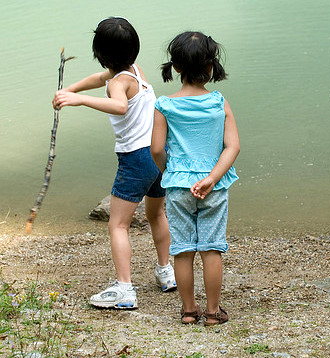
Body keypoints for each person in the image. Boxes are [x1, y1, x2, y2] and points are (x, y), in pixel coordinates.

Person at [52, 17, 176, 309]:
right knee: (157, 215)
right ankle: (165, 271)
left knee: (117, 225)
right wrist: (71, 90)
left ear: (100, 52)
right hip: (159, 155)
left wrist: (80, 101)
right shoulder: (135, 71)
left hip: (135, 159)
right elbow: (101, 78)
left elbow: (119, 105)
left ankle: (124, 289)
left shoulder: (118, 85)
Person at [151, 31, 240, 325]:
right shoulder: (218, 102)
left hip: (178, 185)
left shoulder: (164, 105)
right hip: (213, 186)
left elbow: (156, 150)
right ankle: (213, 313)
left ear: (175, 67)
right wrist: (213, 178)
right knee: (212, 247)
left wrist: (170, 172)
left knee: (183, 249)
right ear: (211, 66)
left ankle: (189, 311)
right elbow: (233, 147)